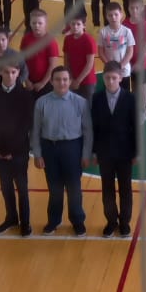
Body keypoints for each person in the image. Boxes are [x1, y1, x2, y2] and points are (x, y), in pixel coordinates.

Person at [30, 66, 93, 235]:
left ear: (70, 81)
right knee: (54, 188)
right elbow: (36, 130)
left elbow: (88, 130)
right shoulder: (41, 102)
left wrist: (86, 154)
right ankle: (53, 220)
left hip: (72, 148)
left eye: (65, 79)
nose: (61, 83)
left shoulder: (80, 102)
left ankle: (78, 221)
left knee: (74, 188)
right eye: (57, 79)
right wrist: (37, 154)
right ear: (51, 82)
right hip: (49, 149)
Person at [0, 63, 36, 236]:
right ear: (0, 71)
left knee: (22, 187)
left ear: (18, 73)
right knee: (6, 186)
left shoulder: (25, 95)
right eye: (6, 72)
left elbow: (25, 124)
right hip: (0, 151)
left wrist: (11, 150)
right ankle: (11, 218)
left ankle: (25, 222)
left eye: (13, 72)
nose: (10, 76)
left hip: (19, 151)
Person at [90, 62, 138, 237]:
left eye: (114, 78)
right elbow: (93, 127)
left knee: (125, 189)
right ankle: (111, 221)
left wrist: (137, 152)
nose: (111, 81)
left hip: (125, 153)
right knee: (107, 189)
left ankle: (125, 222)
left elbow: (136, 128)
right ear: (103, 78)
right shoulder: (96, 99)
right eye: (107, 78)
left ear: (120, 78)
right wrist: (94, 151)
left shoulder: (130, 99)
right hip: (104, 153)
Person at [21, 10, 62, 95]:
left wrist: (42, 83)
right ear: (30, 23)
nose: (36, 26)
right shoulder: (26, 39)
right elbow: (22, 61)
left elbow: (52, 66)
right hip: (29, 83)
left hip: (46, 84)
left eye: (40, 23)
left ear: (45, 24)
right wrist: (26, 80)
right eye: (34, 23)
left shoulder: (50, 41)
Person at [97, 3, 136, 91]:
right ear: (106, 16)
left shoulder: (127, 31)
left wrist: (121, 65)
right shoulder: (103, 32)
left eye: (116, 14)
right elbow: (100, 52)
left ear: (121, 15)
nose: (113, 17)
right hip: (109, 70)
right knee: (109, 92)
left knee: (124, 93)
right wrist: (109, 65)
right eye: (110, 15)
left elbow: (130, 52)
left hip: (124, 71)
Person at [64, 15, 100, 100]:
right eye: (73, 24)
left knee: (88, 105)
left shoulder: (89, 40)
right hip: (72, 79)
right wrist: (69, 77)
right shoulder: (67, 39)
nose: (75, 27)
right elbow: (66, 60)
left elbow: (89, 64)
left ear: (84, 26)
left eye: (78, 24)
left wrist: (78, 81)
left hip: (87, 81)